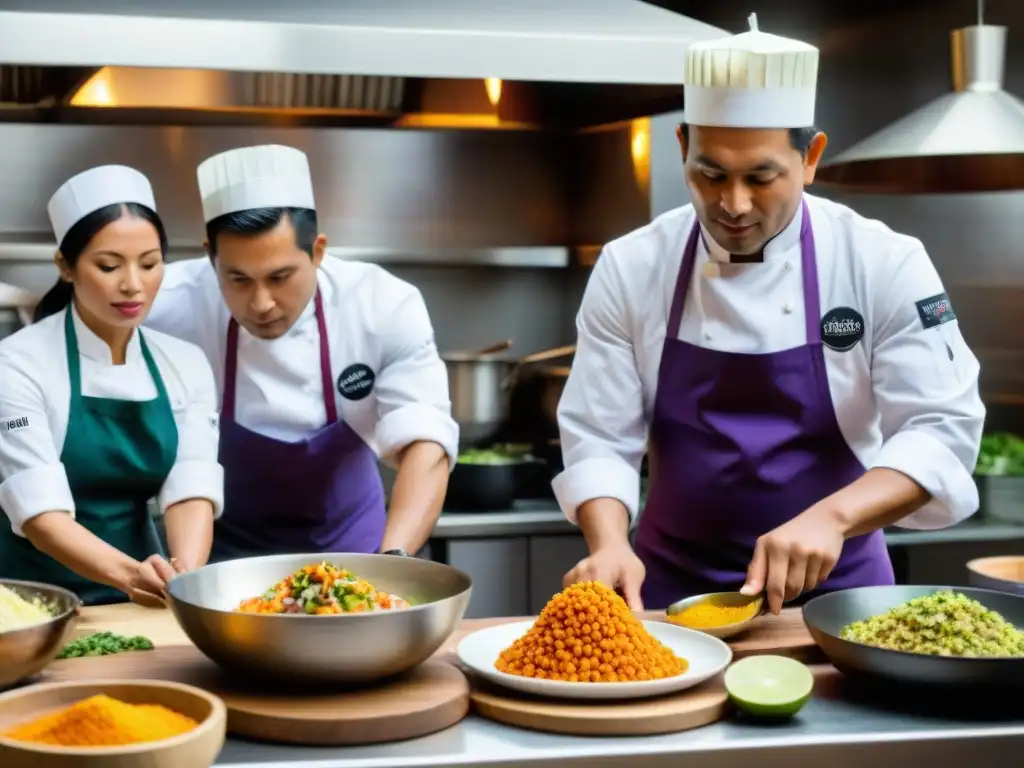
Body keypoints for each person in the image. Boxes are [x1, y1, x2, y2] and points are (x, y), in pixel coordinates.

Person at [554, 15, 985, 615]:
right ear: (682, 147)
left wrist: (835, 517)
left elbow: (942, 429)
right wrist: (607, 544)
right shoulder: (632, 266)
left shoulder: (882, 262)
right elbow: (599, 435)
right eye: (710, 174)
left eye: (761, 177)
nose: (733, 204)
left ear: (810, 158)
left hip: (842, 593)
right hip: (671, 589)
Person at [145, 144, 457, 562]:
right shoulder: (166, 306)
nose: (261, 303)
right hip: (220, 559)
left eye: (280, 277)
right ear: (210, 255)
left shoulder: (382, 306)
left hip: (355, 552)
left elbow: (426, 442)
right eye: (238, 279)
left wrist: (393, 561)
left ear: (318, 251)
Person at [0, 165, 224, 606]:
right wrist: (130, 575)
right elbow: (41, 515)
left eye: (150, 263)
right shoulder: (16, 364)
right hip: (26, 602)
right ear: (66, 266)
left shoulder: (184, 362)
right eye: (108, 265)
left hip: (141, 598)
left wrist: (184, 578)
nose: (132, 285)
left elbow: (189, 486)